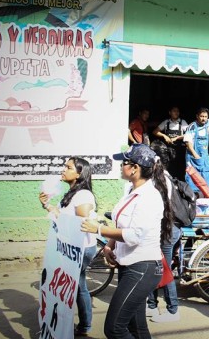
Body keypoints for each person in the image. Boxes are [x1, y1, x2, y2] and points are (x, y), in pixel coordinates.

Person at [81, 144, 173, 339]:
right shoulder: (132, 192)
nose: (120, 166)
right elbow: (121, 223)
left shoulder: (149, 197)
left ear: (135, 168)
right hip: (129, 266)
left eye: (124, 163)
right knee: (137, 328)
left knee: (114, 329)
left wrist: (97, 229)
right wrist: (109, 246)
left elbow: (133, 236)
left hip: (143, 268)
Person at [39, 157, 97, 337]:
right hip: (68, 248)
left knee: (78, 286)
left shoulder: (83, 195)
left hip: (81, 248)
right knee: (73, 286)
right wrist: (46, 205)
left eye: (68, 167)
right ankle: (73, 323)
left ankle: (84, 325)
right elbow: (61, 216)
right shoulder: (72, 193)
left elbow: (80, 222)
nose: (63, 170)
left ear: (79, 174)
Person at [146, 141, 182, 323]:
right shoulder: (156, 178)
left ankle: (173, 310)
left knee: (164, 270)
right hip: (162, 231)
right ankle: (152, 305)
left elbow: (160, 210)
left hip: (167, 231)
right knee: (155, 268)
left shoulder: (162, 179)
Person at [184, 97, 209, 194]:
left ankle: (208, 197)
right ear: (197, 116)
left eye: (205, 116)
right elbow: (188, 143)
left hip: (204, 157)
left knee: (207, 176)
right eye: (202, 116)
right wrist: (195, 155)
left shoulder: (207, 124)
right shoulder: (192, 126)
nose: (204, 118)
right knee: (193, 177)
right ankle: (193, 198)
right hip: (193, 158)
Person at [153, 106, 189, 180]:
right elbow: (155, 132)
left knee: (180, 168)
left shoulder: (182, 122)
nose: (176, 113)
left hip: (180, 150)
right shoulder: (166, 122)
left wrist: (177, 138)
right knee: (169, 168)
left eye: (177, 111)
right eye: (174, 111)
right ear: (170, 113)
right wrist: (164, 136)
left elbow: (189, 134)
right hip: (168, 151)